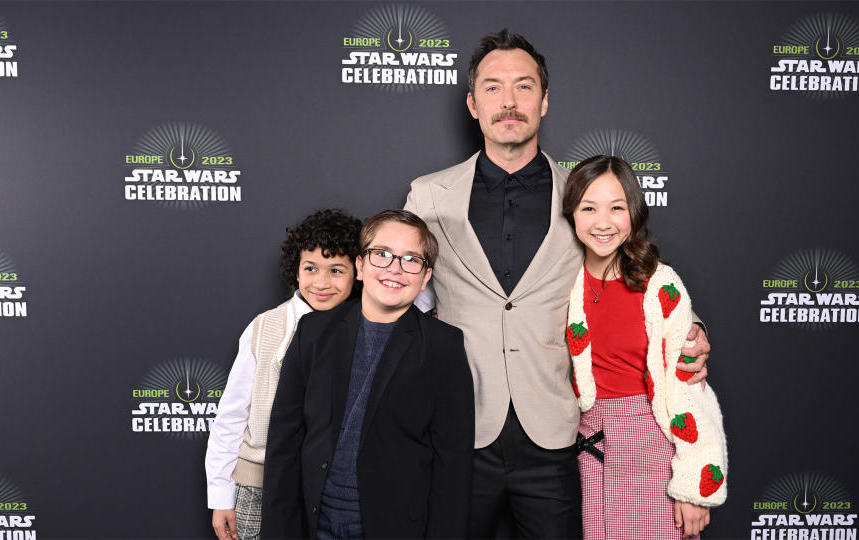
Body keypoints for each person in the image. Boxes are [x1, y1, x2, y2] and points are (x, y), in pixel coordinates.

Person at [404, 29, 712, 537]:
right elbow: (393, 291)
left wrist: (691, 329)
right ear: (471, 103)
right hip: (459, 431)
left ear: (544, 101)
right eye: (493, 87)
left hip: (556, 432)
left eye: (524, 87)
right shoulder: (428, 195)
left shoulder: (585, 194)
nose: (509, 101)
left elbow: (635, 275)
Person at [261, 209, 475, 539]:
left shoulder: (442, 346)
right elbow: (284, 443)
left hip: (396, 526)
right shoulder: (313, 332)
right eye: (382, 255)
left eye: (411, 260)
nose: (395, 268)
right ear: (360, 265)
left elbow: (453, 464)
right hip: (314, 523)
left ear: (425, 276)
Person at [562, 155, 727, 539]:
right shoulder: (563, 280)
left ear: (634, 212)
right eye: (589, 208)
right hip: (583, 451)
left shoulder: (659, 285)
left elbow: (687, 389)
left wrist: (692, 486)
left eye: (617, 208)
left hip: (652, 446)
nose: (603, 222)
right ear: (571, 214)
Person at [205, 209, 363, 540]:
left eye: (336, 270)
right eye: (311, 269)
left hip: (336, 491)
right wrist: (220, 496)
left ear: (358, 272)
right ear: (295, 269)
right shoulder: (265, 327)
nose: (321, 282)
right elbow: (231, 417)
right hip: (259, 486)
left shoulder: (367, 331)